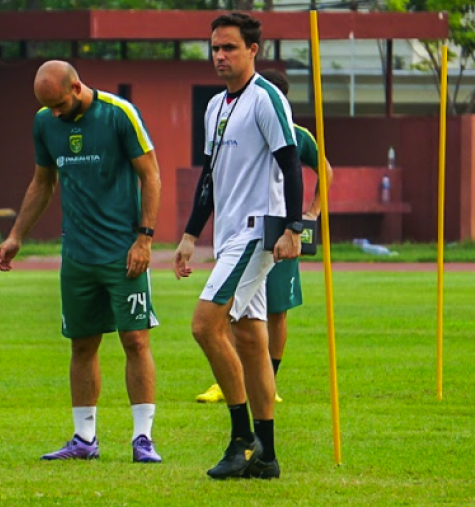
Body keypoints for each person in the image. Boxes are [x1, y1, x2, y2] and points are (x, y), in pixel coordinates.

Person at [0, 60, 162, 463]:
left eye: (57, 104)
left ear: (76, 88)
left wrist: (144, 239)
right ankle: (84, 440)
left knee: (135, 339)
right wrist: (17, 236)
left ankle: (143, 439)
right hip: (78, 255)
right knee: (82, 343)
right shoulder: (44, 122)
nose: (53, 113)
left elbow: (150, 175)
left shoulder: (119, 114)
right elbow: (42, 183)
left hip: (123, 252)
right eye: (45, 106)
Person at [174, 13, 303, 480]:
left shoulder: (267, 99)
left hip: (256, 233)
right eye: (214, 48)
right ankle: (266, 456)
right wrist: (190, 234)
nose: (220, 56)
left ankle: (240, 438)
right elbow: (208, 178)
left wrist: (294, 229)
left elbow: (291, 165)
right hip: (227, 234)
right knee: (250, 338)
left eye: (229, 47)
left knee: (206, 326)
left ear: (253, 50)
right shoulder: (215, 106)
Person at [195, 68, 334, 405]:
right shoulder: (231, 119)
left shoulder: (297, 134)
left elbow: (324, 171)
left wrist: (310, 215)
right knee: (237, 311)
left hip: (280, 230)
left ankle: (270, 380)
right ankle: (236, 380)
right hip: (241, 229)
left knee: (276, 309)